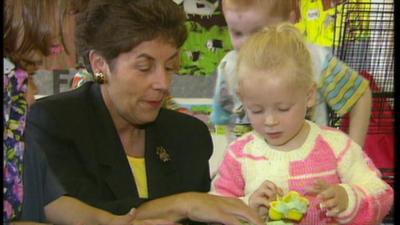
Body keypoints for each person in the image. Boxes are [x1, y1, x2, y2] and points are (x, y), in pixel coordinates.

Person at [4, 0, 263, 225]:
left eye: (171, 66)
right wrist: (185, 204)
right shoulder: (55, 122)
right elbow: (79, 213)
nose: (162, 82)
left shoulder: (189, 136)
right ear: (100, 64)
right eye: (144, 67)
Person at [210, 23, 393, 225]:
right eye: (256, 110)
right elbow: (214, 209)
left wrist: (347, 198)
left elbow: (382, 193)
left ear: (309, 96)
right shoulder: (239, 154)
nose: (270, 121)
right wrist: (247, 207)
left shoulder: (337, 145)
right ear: (242, 99)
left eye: (283, 108)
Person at [210, 0, 371, 147]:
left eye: (259, 32)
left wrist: (353, 153)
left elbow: (360, 96)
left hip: (311, 170)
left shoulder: (313, 60)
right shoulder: (229, 67)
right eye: (237, 33)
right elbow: (224, 120)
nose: (247, 44)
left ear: (290, 20)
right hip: (252, 173)